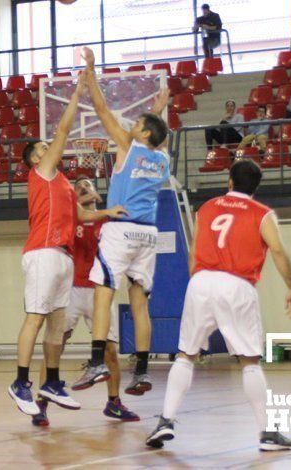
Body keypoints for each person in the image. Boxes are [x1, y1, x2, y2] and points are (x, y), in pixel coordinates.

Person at [146, 160, 291, 452]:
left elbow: (194, 252)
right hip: (237, 284)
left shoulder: (207, 207)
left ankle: (165, 421)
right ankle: (267, 433)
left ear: (229, 181)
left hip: (201, 281)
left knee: (185, 354)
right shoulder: (263, 214)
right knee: (249, 360)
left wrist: (200, 281)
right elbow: (278, 251)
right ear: (255, 187)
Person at [73, 54, 172, 396]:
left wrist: (91, 77)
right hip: (148, 234)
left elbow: (102, 112)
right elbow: (157, 136)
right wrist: (158, 111)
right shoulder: (162, 158)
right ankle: (142, 371)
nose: (129, 125)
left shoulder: (128, 148)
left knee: (104, 294)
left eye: (137, 123)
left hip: (120, 227)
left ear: (142, 131)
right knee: (140, 303)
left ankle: (97, 359)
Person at [8, 49, 98, 417]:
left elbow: (80, 214)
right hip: (43, 252)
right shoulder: (42, 172)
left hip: (62, 254)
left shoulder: (60, 182)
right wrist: (79, 90)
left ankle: (53, 381)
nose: (50, 148)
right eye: (43, 148)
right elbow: (62, 129)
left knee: (58, 326)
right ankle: (19, 382)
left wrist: (111, 212)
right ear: (34, 159)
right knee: (36, 317)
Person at [31, 178, 134, 427]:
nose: (86, 189)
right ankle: (41, 403)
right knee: (56, 345)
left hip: (100, 289)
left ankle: (114, 403)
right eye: (80, 187)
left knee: (110, 350)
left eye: (90, 185)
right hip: (72, 289)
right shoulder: (70, 216)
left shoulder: (110, 221)